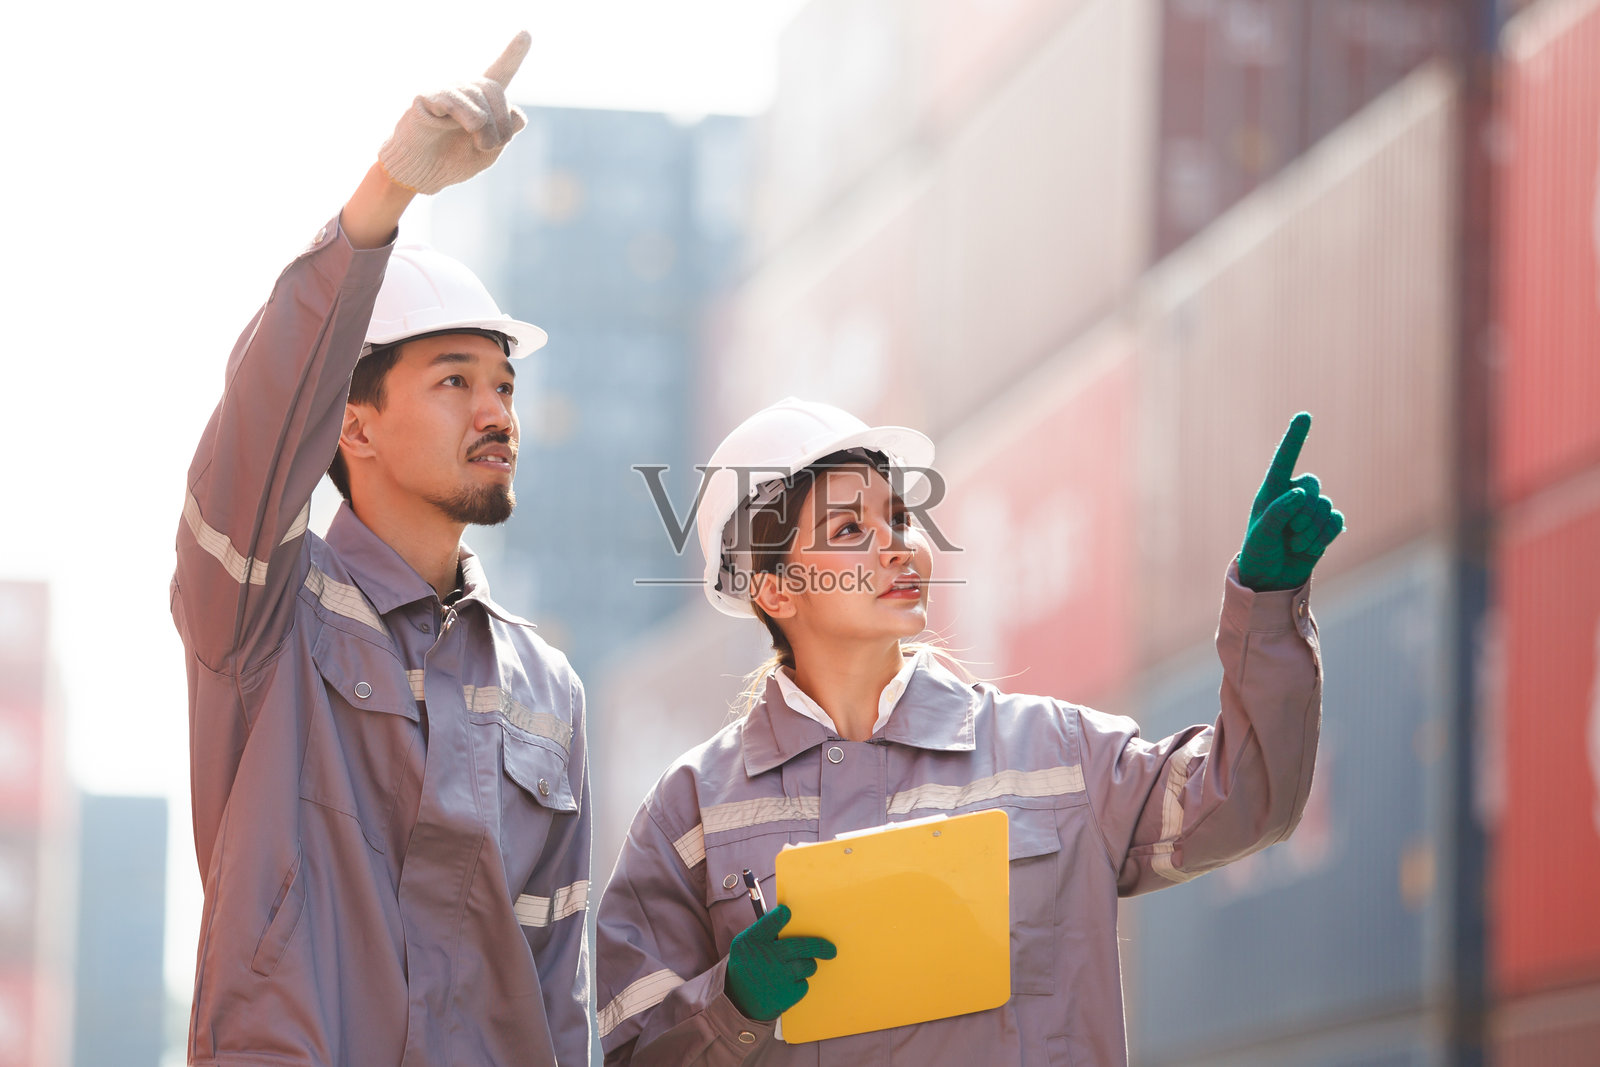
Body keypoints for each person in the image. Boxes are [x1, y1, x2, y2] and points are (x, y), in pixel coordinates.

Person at [594, 397, 1342, 1065]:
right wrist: (734, 1007)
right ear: (775, 587)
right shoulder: (690, 814)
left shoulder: (1055, 754)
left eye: (898, 518)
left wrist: (1267, 606)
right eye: (850, 526)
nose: (896, 545)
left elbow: (1249, 800)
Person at [170, 34, 591, 1065]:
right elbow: (265, 419)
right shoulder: (265, 612)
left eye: (504, 384)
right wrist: (387, 193)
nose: (495, 409)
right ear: (351, 425)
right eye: (455, 379)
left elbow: (556, 980)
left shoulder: (547, 686)